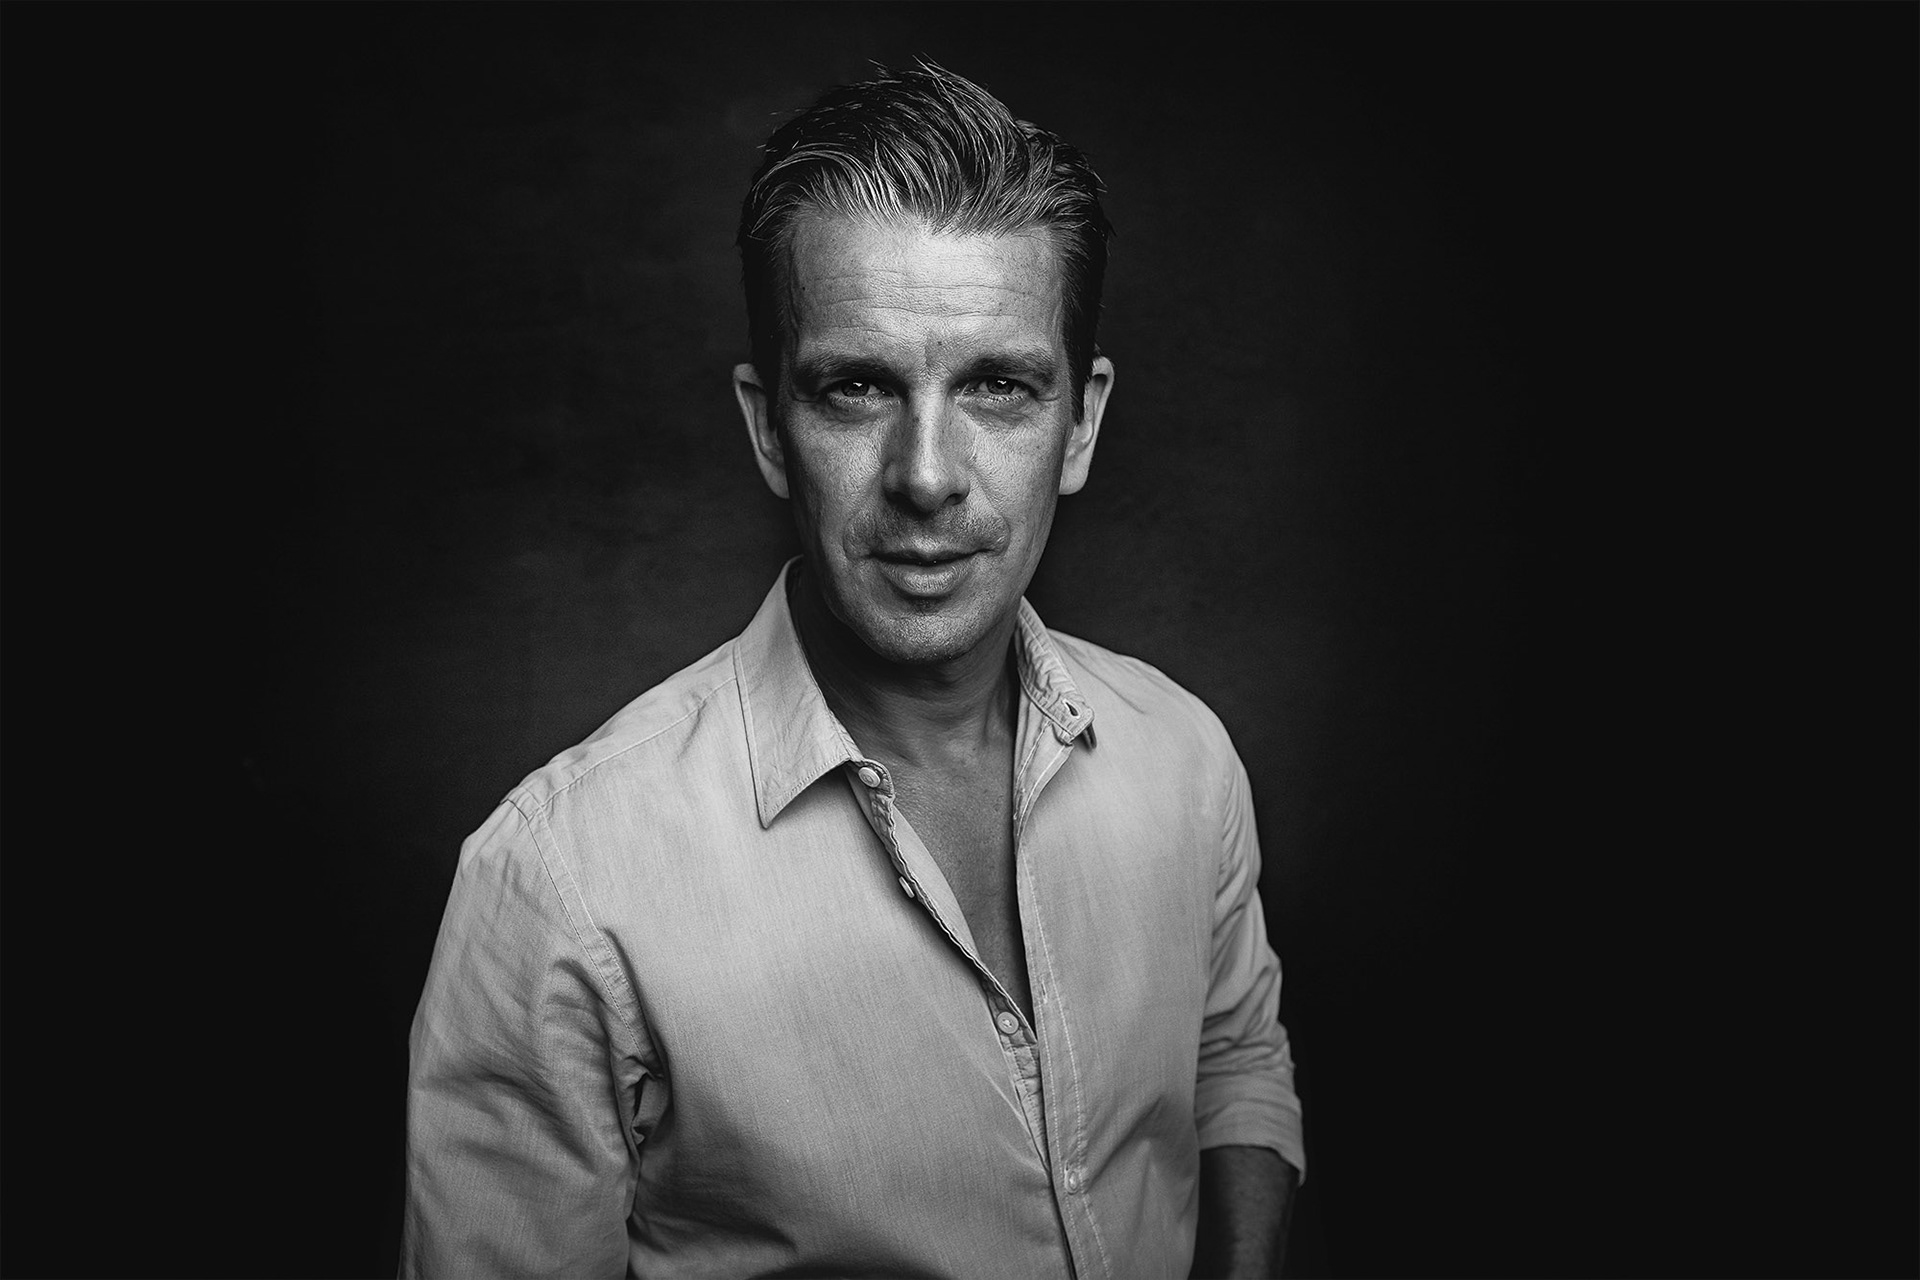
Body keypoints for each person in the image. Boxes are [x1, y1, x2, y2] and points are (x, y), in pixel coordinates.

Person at [401, 61, 1304, 1279]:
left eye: (998, 385)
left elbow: (1235, 1061)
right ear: (770, 426)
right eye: (857, 386)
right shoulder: (557, 881)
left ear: (1080, 423)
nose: (926, 474)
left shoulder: (1185, 757)